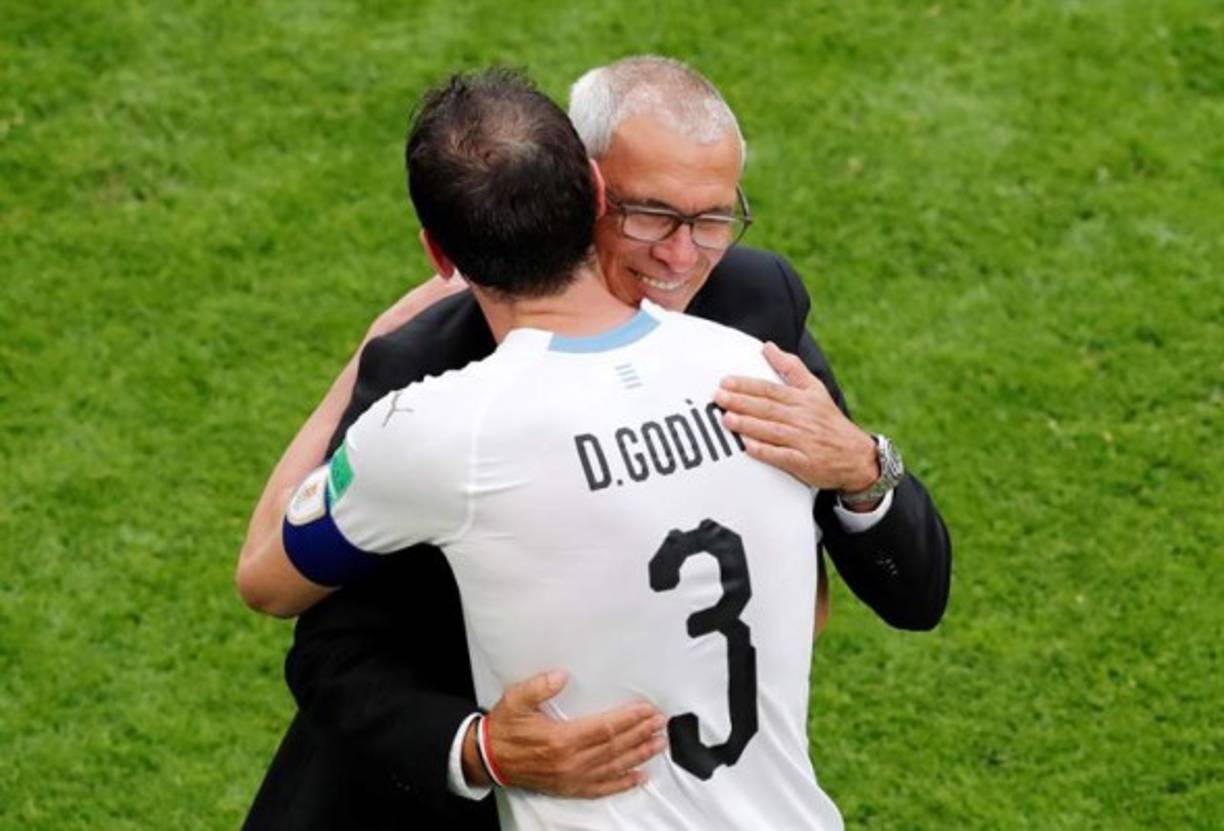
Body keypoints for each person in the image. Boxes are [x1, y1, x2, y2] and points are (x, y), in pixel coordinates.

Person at [241, 57, 950, 830]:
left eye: (713, 219)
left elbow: (907, 595)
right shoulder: (426, 375)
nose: (681, 258)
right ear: (585, 191)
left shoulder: (751, 317)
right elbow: (330, 650)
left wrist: (861, 469)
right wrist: (477, 750)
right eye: (652, 215)